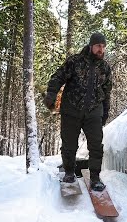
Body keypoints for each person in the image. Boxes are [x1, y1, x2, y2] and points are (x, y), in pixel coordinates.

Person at [44, 32, 112, 192]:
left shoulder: (105, 68)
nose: (101, 49)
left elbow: (107, 92)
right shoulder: (75, 61)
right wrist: (51, 94)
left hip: (94, 111)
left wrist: (105, 113)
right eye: (98, 46)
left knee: (96, 146)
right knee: (69, 144)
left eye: (103, 46)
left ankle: (95, 178)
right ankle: (69, 172)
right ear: (91, 46)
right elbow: (58, 77)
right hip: (71, 109)